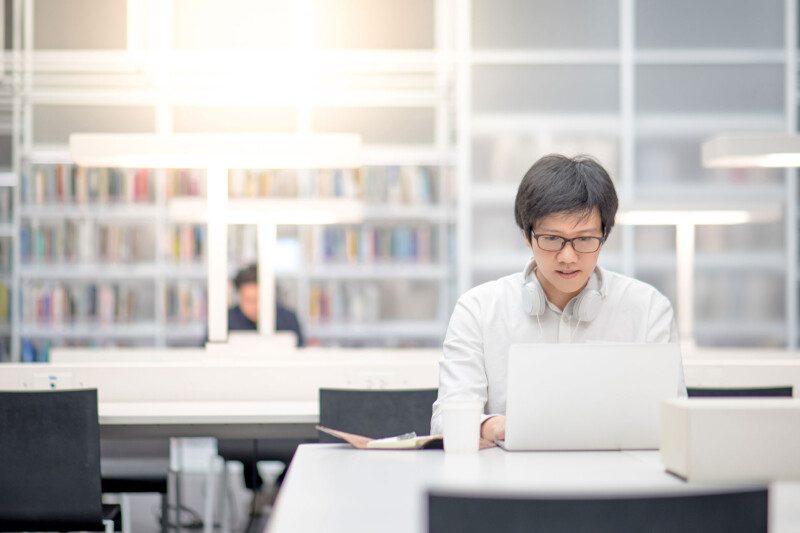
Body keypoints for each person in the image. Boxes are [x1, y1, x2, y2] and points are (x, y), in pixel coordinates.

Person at [430, 154, 684, 442]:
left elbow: (678, 422)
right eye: (551, 238)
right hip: (510, 481)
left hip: (617, 479)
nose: (568, 256)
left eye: (585, 239)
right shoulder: (478, 309)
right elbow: (444, 421)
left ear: (605, 235)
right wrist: (495, 427)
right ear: (527, 235)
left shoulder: (648, 309)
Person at [228, 264, 304, 346]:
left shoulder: (288, 319)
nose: (254, 306)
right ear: (239, 297)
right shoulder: (228, 320)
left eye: (258, 299)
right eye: (248, 300)